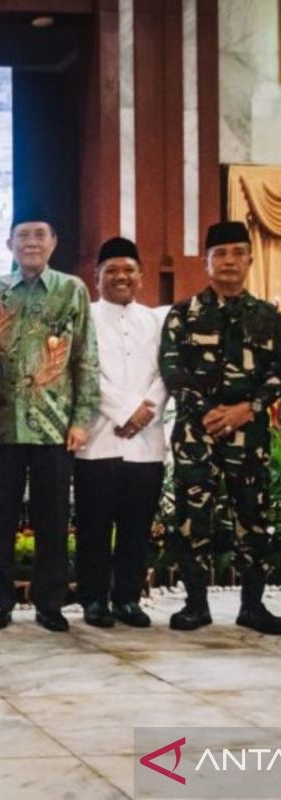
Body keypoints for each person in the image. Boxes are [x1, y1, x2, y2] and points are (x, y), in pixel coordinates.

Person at [0, 211, 99, 633]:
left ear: (53, 242)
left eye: (39, 235)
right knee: (0, 518)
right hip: (3, 424)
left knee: (52, 518)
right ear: (9, 243)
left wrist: (81, 419)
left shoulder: (72, 291)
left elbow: (85, 358)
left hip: (53, 424)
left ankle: (50, 603)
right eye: (22, 236)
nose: (31, 242)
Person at [159, 221, 281, 634]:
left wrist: (250, 407)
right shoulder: (183, 314)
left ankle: (253, 605)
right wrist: (208, 412)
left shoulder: (268, 316)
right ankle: (195, 604)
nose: (229, 261)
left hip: (250, 436)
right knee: (194, 519)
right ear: (207, 262)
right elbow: (172, 369)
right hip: (197, 434)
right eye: (220, 254)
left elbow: (278, 371)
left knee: (254, 518)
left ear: (249, 259)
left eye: (236, 252)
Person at [74, 237, 166, 628]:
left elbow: (170, 370)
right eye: (111, 270)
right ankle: (94, 599)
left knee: (136, 525)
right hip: (98, 438)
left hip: (147, 442)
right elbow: (81, 370)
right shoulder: (85, 317)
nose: (120, 277)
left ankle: (128, 598)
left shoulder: (158, 320)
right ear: (96, 279)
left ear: (141, 277)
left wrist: (147, 410)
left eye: (128, 269)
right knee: (94, 525)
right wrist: (126, 410)